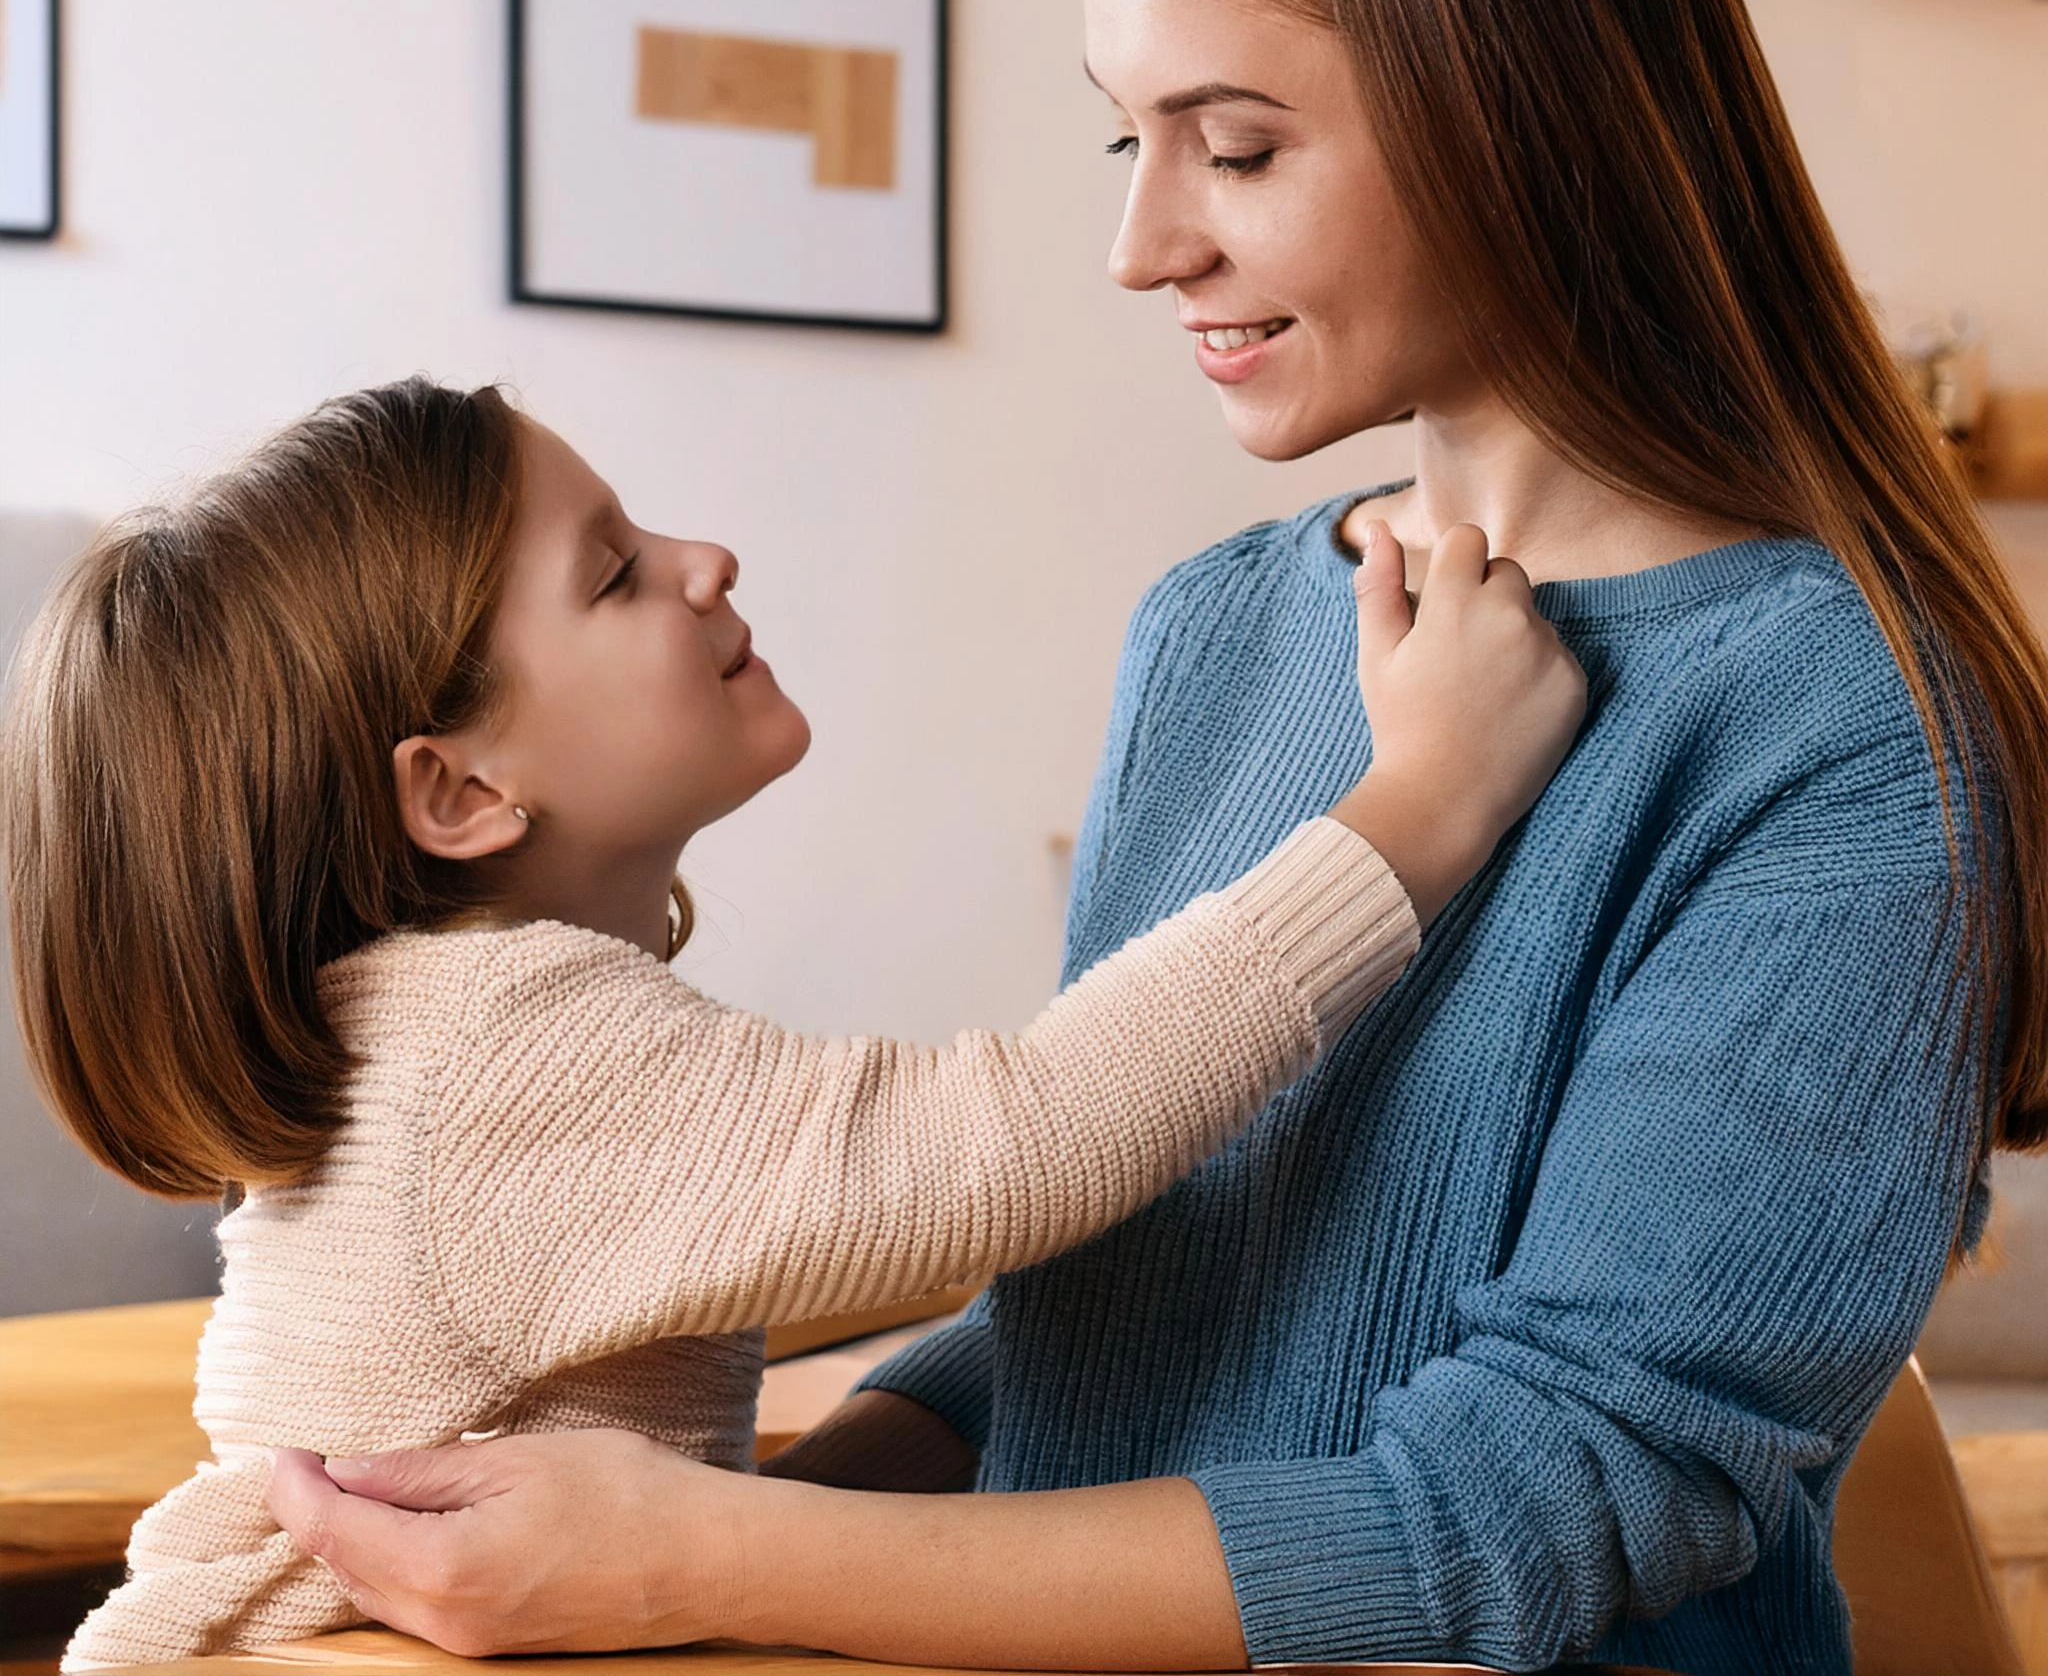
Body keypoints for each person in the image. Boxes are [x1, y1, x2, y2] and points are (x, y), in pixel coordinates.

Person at [262, 0, 2048, 1676]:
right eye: (1132, 139)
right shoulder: (1211, 631)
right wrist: (757, 1500)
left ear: (1519, 109)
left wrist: (696, 1562)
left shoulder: (1844, 731)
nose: (1146, 245)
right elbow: (1131, 1286)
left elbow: (1537, 1512)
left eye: (1240, 145)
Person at [0, 380, 1581, 1670]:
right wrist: (1424, 804)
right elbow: (1018, 1141)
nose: (706, 560)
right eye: (614, 570)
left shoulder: (437, 1035)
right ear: (463, 793)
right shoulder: (500, 1056)